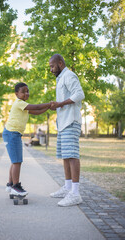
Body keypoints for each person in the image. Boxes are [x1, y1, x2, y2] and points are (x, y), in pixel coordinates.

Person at [2, 82, 51, 196]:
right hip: (12, 134)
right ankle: (16, 186)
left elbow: (37, 111)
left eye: (27, 91)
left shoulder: (23, 105)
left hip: (12, 134)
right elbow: (37, 106)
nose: (26, 93)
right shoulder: (19, 103)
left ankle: (10, 184)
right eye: (23, 92)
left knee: (15, 161)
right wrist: (49, 103)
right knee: (17, 161)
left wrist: (48, 106)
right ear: (16, 94)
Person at [49, 54, 85, 207]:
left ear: (60, 63)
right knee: (65, 156)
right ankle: (68, 188)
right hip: (63, 123)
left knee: (72, 156)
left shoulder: (69, 75)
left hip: (71, 121)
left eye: (52, 66)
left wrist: (60, 103)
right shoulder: (60, 78)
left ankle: (75, 193)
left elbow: (79, 94)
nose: (51, 70)